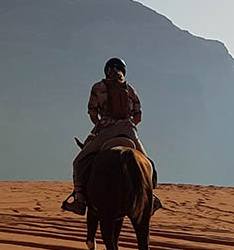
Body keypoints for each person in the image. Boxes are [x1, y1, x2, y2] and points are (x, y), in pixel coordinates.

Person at [61, 57, 160, 215]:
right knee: (148, 165)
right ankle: (151, 198)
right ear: (123, 72)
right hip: (129, 132)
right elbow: (138, 115)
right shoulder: (130, 89)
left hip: (106, 132)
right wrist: (128, 124)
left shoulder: (98, 87)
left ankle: (80, 201)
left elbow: (93, 113)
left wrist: (101, 124)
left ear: (106, 71)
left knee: (78, 162)